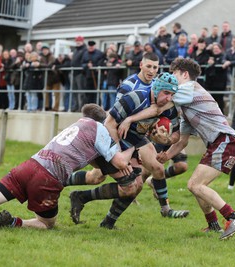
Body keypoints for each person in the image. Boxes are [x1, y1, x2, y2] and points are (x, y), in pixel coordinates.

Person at [0, 104, 136, 229]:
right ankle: (13, 222)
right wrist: (134, 148)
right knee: (47, 224)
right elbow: (120, 162)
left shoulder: (77, 124)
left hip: (29, 165)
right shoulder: (100, 129)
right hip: (48, 178)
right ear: (103, 120)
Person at [122, 58, 235, 240]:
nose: (171, 81)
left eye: (174, 75)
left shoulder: (189, 88)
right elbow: (181, 141)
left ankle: (233, 217)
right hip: (219, 143)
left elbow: (158, 107)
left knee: (195, 185)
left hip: (226, 141)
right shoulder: (186, 105)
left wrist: (130, 119)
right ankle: (213, 224)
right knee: (197, 186)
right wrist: (165, 154)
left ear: (185, 74)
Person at [69, 71, 188, 230]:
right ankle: (61, 182)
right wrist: (117, 154)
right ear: (157, 88)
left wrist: (165, 140)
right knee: (98, 177)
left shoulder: (169, 106)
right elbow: (109, 123)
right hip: (114, 135)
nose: (169, 98)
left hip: (135, 138)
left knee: (150, 174)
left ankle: (111, 221)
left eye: (172, 94)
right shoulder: (135, 97)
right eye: (166, 93)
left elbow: (175, 135)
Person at [205, 43, 228, 113]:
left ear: (220, 49)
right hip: (212, 83)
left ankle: (221, 116)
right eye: (214, 49)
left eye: (217, 48)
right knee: (212, 102)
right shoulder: (211, 57)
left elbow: (221, 68)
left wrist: (213, 64)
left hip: (220, 84)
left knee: (219, 102)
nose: (215, 50)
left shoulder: (223, 57)